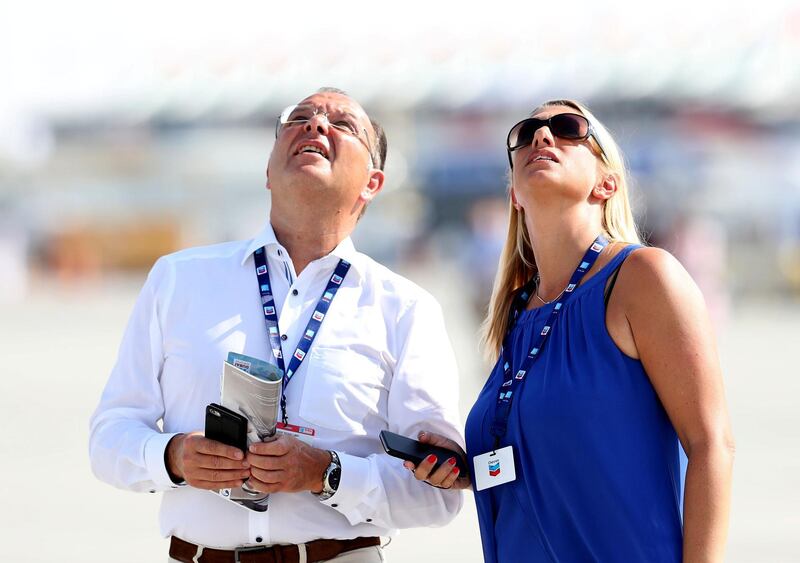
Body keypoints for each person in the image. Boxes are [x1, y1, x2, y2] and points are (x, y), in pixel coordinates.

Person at [89, 87, 464, 562]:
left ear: (373, 182)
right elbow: (109, 437)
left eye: (343, 124)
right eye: (298, 118)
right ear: (268, 170)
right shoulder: (178, 278)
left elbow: (437, 494)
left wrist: (327, 474)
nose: (315, 125)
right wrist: (173, 457)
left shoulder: (405, 308)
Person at [406, 99, 735, 562]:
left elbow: (712, 445)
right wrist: (467, 468)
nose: (542, 136)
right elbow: (553, 462)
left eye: (567, 128)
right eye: (526, 133)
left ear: (607, 182)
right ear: (514, 194)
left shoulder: (642, 277)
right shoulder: (517, 314)